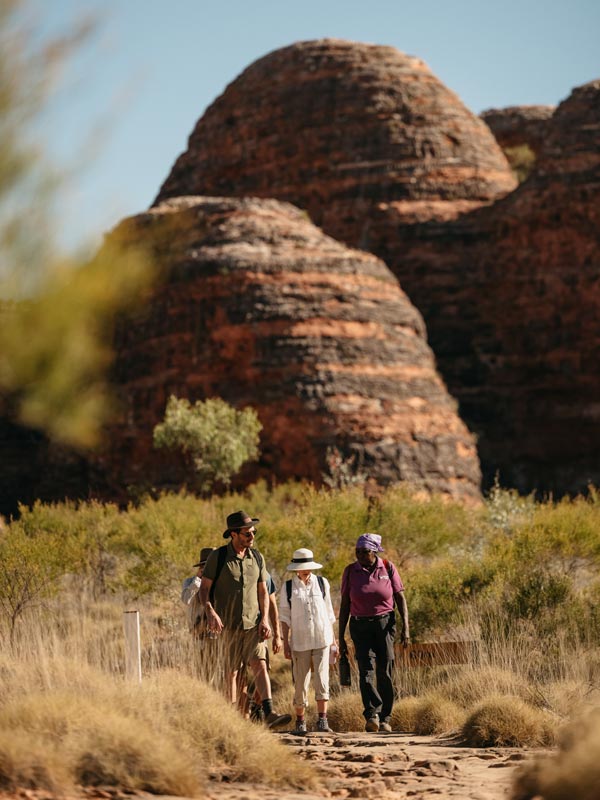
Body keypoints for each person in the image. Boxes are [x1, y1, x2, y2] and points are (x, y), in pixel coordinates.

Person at [200, 510, 291, 729]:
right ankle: (231, 717)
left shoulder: (257, 558)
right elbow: (204, 589)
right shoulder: (218, 557)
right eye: (247, 533)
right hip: (228, 626)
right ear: (233, 534)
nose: (252, 537)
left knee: (260, 664)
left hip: (253, 624)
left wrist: (265, 621)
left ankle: (269, 713)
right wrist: (210, 610)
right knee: (231, 671)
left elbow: (263, 592)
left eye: (253, 532)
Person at [338, 533, 409, 733]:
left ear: (374, 551)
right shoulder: (351, 571)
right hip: (359, 626)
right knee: (365, 672)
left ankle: (386, 717)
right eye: (357, 551)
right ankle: (372, 714)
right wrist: (341, 636)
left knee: (384, 672)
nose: (360, 555)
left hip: (385, 624)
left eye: (365, 551)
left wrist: (406, 628)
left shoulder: (387, 567)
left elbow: (400, 598)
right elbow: (345, 605)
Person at [280, 547, 337, 734]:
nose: (306, 570)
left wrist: (334, 640)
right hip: (300, 641)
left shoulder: (322, 583)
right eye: (302, 567)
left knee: (322, 679)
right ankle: (300, 721)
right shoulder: (288, 587)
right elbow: (285, 617)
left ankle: (322, 720)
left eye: (308, 566)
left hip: (322, 638)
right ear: (295, 568)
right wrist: (286, 642)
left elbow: (329, 613)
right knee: (300, 682)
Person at [181, 546, 215, 637]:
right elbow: (186, 600)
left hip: (218, 632)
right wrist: (197, 580)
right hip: (198, 633)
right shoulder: (189, 582)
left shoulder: (221, 582)